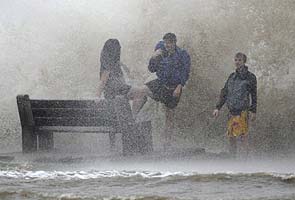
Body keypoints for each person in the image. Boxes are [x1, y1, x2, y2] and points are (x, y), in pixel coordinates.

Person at [146, 33, 191, 149]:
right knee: (142, 91)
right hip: (161, 84)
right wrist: (153, 57)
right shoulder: (161, 52)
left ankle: (167, 143)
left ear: (175, 43)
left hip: (174, 87)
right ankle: (132, 119)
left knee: (169, 115)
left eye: (170, 43)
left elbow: (185, 72)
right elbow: (151, 69)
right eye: (166, 43)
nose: (168, 45)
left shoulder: (182, 54)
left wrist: (179, 86)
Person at [213, 52, 257, 157]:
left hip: (243, 111)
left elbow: (254, 95)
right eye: (236, 60)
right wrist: (217, 108)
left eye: (240, 60)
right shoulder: (232, 76)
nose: (237, 62)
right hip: (231, 111)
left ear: (244, 61)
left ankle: (245, 161)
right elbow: (224, 92)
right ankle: (233, 160)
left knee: (243, 137)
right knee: (231, 137)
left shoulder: (250, 77)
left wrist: (253, 110)